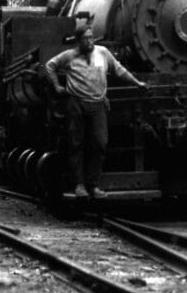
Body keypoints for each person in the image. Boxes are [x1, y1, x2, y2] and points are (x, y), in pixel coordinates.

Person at [45, 25, 147, 199]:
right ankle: (79, 185)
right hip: (76, 103)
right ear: (78, 41)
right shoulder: (69, 56)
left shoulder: (102, 52)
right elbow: (49, 65)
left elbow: (119, 70)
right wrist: (57, 86)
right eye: (85, 38)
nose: (90, 41)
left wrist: (137, 83)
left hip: (98, 103)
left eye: (91, 38)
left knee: (100, 143)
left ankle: (93, 184)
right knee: (76, 144)